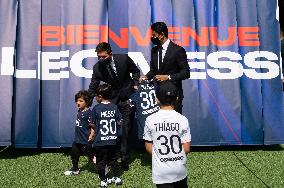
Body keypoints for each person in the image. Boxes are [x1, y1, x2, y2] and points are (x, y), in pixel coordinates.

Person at [88, 42, 140, 170]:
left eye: (103, 57)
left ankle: (124, 159)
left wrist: (135, 84)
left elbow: (135, 71)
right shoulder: (97, 68)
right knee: (112, 130)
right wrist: (87, 101)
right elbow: (93, 86)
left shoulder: (124, 58)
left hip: (128, 98)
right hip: (112, 100)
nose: (101, 59)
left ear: (110, 53)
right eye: (99, 57)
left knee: (126, 128)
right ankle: (110, 156)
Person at [143, 81, 191, 188]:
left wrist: (161, 157)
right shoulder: (183, 119)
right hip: (179, 169)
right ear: (177, 98)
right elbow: (186, 148)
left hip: (161, 171)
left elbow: (148, 146)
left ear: (156, 99)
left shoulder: (150, 120)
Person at [144, 22, 190, 113]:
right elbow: (154, 70)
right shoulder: (154, 50)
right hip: (158, 97)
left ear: (162, 35)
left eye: (154, 35)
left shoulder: (178, 50)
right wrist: (146, 77)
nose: (152, 38)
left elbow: (186, 73)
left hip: (173, 96)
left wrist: (168, 77)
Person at [92, 84, 122, 187]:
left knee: (101, 162)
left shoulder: (96, 108)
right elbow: (120, 122)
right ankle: (117, 178)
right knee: (113, 160)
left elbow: (92, 123)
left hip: (100, 141)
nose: (96, 98)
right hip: (113, 140)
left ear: (100, 96)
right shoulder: (114, 107)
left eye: (96, 96)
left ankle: (104, 180)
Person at [64, 90, 95, 176]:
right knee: (74, 153)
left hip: (85, 140)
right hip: (77, 139)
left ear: (87, 102)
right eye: (77, 101)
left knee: (92, 157)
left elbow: (93, 126)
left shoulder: (89, 113)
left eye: (81, 101)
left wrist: (92, 135)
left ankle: (104, 168)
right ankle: (75, 169)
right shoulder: (80, 111)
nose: (78, 103)